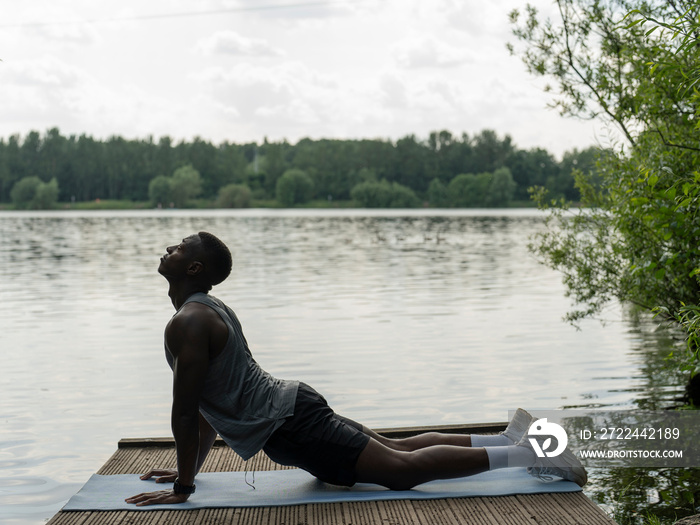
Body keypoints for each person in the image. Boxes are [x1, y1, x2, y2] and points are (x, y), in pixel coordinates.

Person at [125, 232, 587, 507]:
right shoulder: (205, 310)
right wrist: (191, 471)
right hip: (292, 410)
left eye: (179, 247)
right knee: (399, 449)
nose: (169, 248)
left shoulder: (189, 321)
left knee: (401, 471)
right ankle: (509, 440)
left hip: (291, 423)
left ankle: (534, 454)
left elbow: (186, 414)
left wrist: (184, 488)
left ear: (195, 267)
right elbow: (209, 407)